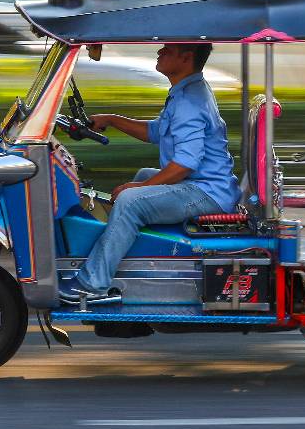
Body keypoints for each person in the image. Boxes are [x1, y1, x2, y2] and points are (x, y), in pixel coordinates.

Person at [60, 43, 240, 304]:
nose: (159, 51)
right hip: (207, 185)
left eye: (168, 49)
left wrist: (136, 189)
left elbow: (184, 165)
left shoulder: (189, 102)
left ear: (186, 58)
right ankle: (126, 260)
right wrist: (111, 119)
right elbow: (155, 131)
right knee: (144, 176)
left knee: (130, 201)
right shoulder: (186, 91)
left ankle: (92, 284)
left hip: (207, 192)